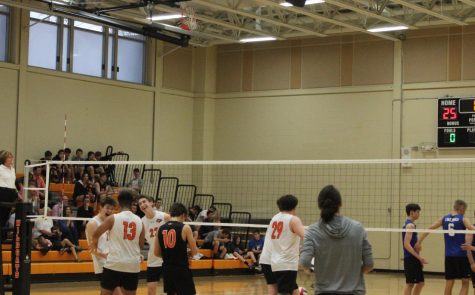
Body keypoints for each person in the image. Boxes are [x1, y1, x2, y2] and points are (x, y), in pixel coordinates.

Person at [300, 185, 374, 295]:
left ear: (320, 205)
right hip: (354, 291)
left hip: (324, 291)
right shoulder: (358, 228)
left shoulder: (313, 231)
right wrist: (353, 277)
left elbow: (304, 262)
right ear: (340, 204)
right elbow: (369, 264)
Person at [91, 190, 145, 295]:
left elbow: (95, 235)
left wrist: (95, 247)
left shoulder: (113, 218)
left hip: (114, 263)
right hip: (132, 264)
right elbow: (141, 245)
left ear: (118, 203)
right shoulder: (140, 221)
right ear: (132, 203)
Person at [417, 200, 475, 295]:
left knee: (449, 282)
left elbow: (430, 228)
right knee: (465, 282)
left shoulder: (444, 219)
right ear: (461, 208)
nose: (464, 212)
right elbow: (473, 229)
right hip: (461, 255)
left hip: (449, 256)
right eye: (464, 210)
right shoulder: (464, 219)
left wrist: (419, 242)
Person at [260, 194, 305, 295]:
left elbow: (280, 239)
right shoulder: (293, 219)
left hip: (267, 259)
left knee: (274, 286)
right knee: (286, 290)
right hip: (284, 262)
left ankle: (300, 292)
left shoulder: (275, 218)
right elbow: (307, 238)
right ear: (294, 206)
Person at [155, 203, 198, 295]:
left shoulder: (160, 228)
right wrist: (188, 253)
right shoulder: (185, 227)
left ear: (170, 214)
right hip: (181, 269)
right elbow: (195, 252)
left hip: (167, 269)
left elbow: (156, 253)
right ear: (183, 215)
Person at [85, 196, 122, 295]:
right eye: (107, 207)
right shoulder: (93, 223)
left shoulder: (110, 222)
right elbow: (91, 248)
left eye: (112, 209)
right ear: (101, 207)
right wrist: (103, 255)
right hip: (102, 264)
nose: (110, 210)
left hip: (112, 262)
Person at [138, 195, 170, 295]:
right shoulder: (141, 222)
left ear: (151, 203)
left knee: (172, 289)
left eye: (144, 202)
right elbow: (139, 241)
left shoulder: (165, 217)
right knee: (151, 291)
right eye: (140, 203)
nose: (142, 204)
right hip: (154, 258)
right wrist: (138, 252)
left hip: (168, 257)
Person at [403, 203, 427, 295]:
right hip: (410, 258)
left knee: (418, 283)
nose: (419, 214)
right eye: (417, 212)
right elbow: (406, 244)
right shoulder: (410, 226)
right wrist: (419, 258)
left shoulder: (408, 224)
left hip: (412, 257)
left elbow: (411, 243)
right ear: (412, 212)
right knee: (410, 284)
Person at [0, 151, 18, 232]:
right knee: (2, 214)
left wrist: (17, 194)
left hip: (12, 192)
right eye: (9, 157)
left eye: (11, 157)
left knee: (7, 215)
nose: (11, 159)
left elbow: (13, 182)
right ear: (4, 159)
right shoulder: (0, 168)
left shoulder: (12, 169)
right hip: (3, 192)